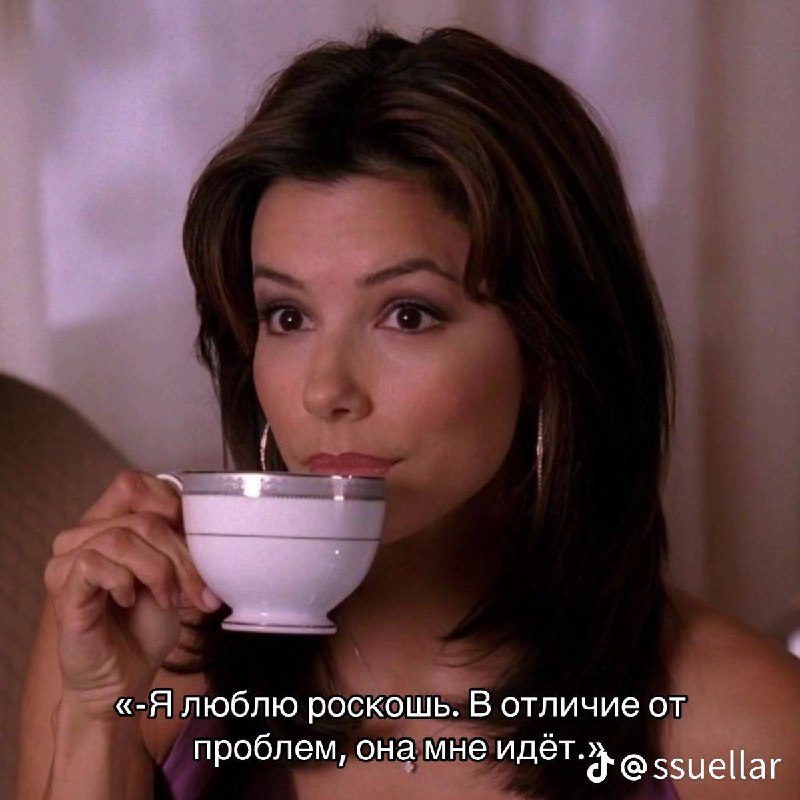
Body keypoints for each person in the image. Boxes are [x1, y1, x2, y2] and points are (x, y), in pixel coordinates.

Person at [16, 25, 800, 800]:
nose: (326, 390)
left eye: (408, 315)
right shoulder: (139, 649)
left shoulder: (749, 733)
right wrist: (98, 717)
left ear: (551, 348)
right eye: (287, 316)